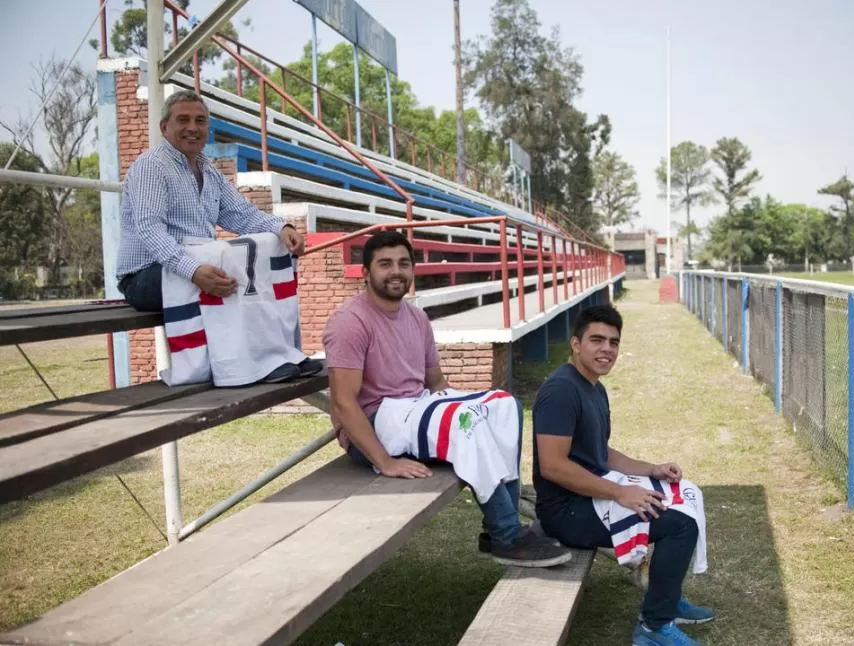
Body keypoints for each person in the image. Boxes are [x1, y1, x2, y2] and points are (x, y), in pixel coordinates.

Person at [323, 230, 571, 568]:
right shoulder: (350, 322)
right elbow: (343, 403)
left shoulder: (416, 317)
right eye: (385, 264)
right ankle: (507, 535)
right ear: (366, 273)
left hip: (415, 408)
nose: (396, 271)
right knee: (465, 422)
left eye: (403, 263)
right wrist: (384, 461)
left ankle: (503, 525)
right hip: (374, 423)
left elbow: (436, 382)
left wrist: (461, 404)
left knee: (502, 406)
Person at [532, 304, 715, 646]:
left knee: (683, 493)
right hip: (566, 512)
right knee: (678, 523)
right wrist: (620, 494)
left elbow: (599, 452)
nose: (606, 349)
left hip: (590, 495)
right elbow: (553, 466)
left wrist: (651, 469)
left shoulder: (594, 386)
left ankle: (667, 601)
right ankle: (654, 627)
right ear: (575, 343)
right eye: (596, 340)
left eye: (613, 342)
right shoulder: (561, 391)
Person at [116, 89, 320, 383]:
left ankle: (279, 355)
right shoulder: (151, 166)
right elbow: (150, 230)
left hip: (192, 267)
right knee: (233, 268)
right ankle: (242, 369)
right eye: (183, 120)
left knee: (265, 250)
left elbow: (243, 215)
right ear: (165, 127)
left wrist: (282, 228)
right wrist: (194, 271)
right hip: (145, 277)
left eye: (200, 121)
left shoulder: (208, 170)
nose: (192, 128)